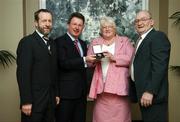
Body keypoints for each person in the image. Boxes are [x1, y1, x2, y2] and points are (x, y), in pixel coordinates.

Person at [87, 16, 134, 122]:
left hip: (119, 89)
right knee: (100, 118)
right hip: (101, 88)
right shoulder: (95, 42)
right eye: (104, 27)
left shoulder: (124, 41)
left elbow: (132, 59)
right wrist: (96, 59)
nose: (107, 29)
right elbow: (89, 62)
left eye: (110, 27)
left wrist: (114, 57)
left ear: (115, 29)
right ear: (101, 30)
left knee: (121, 118)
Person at [16, 9, 60, 122]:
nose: (47, 24)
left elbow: (54, 71)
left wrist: (56, 94)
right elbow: (23, 74)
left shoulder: (53, 43)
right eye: (44, 20)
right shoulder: (27, 42)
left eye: (49, 21)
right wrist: (26, 101)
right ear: (36, 23)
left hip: (50, 101)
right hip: (34, 103)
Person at [129, 10, 171, 122]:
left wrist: (150, 91)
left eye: (143, 19)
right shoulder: (140, 40)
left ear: (152, 22)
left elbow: (159, 67)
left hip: (152, 96)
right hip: (143, 95)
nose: (139, 23)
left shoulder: (158, 37)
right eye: (137, 20)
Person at [55, 12, 95, 122]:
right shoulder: (59, 42)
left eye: (80, 25)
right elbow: (63, 63)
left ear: (83, 27)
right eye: (74, 24)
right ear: (68, 25)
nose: (77, 27)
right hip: (66, 94)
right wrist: (84, 59)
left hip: (81, 94)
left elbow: (84, 66)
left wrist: (94, 62)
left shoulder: (82, 43)